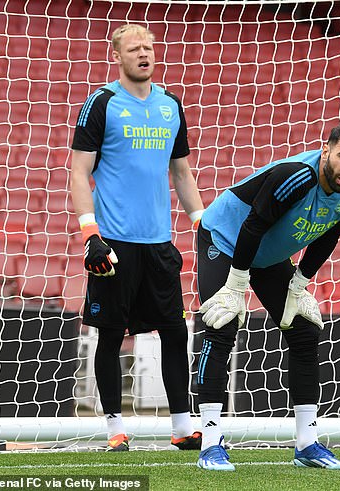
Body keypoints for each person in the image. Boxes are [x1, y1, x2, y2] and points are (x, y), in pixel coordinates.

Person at [194, 122, 340, 470]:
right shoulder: (296, 176)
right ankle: (210, 445)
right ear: (326, 151)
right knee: (222, 325)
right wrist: (235, 286)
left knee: (306, 333)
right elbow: (252, 226)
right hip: (225, 238)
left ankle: (307, 445)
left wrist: (300, 283)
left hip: (266, 253)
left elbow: (330, 230)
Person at [69, 24, 204, 452]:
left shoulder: (170, 106)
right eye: (134, 48)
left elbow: (181, 171)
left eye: (148, 47)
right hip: (113, 243)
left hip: (159, 244)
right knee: (110, 335)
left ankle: (182, 427)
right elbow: (78, 171)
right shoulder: (102, 103)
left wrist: (201, 220)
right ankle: (114, 429)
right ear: (117, 56)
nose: (144, 53)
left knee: (175, 333)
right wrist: (90, 232)